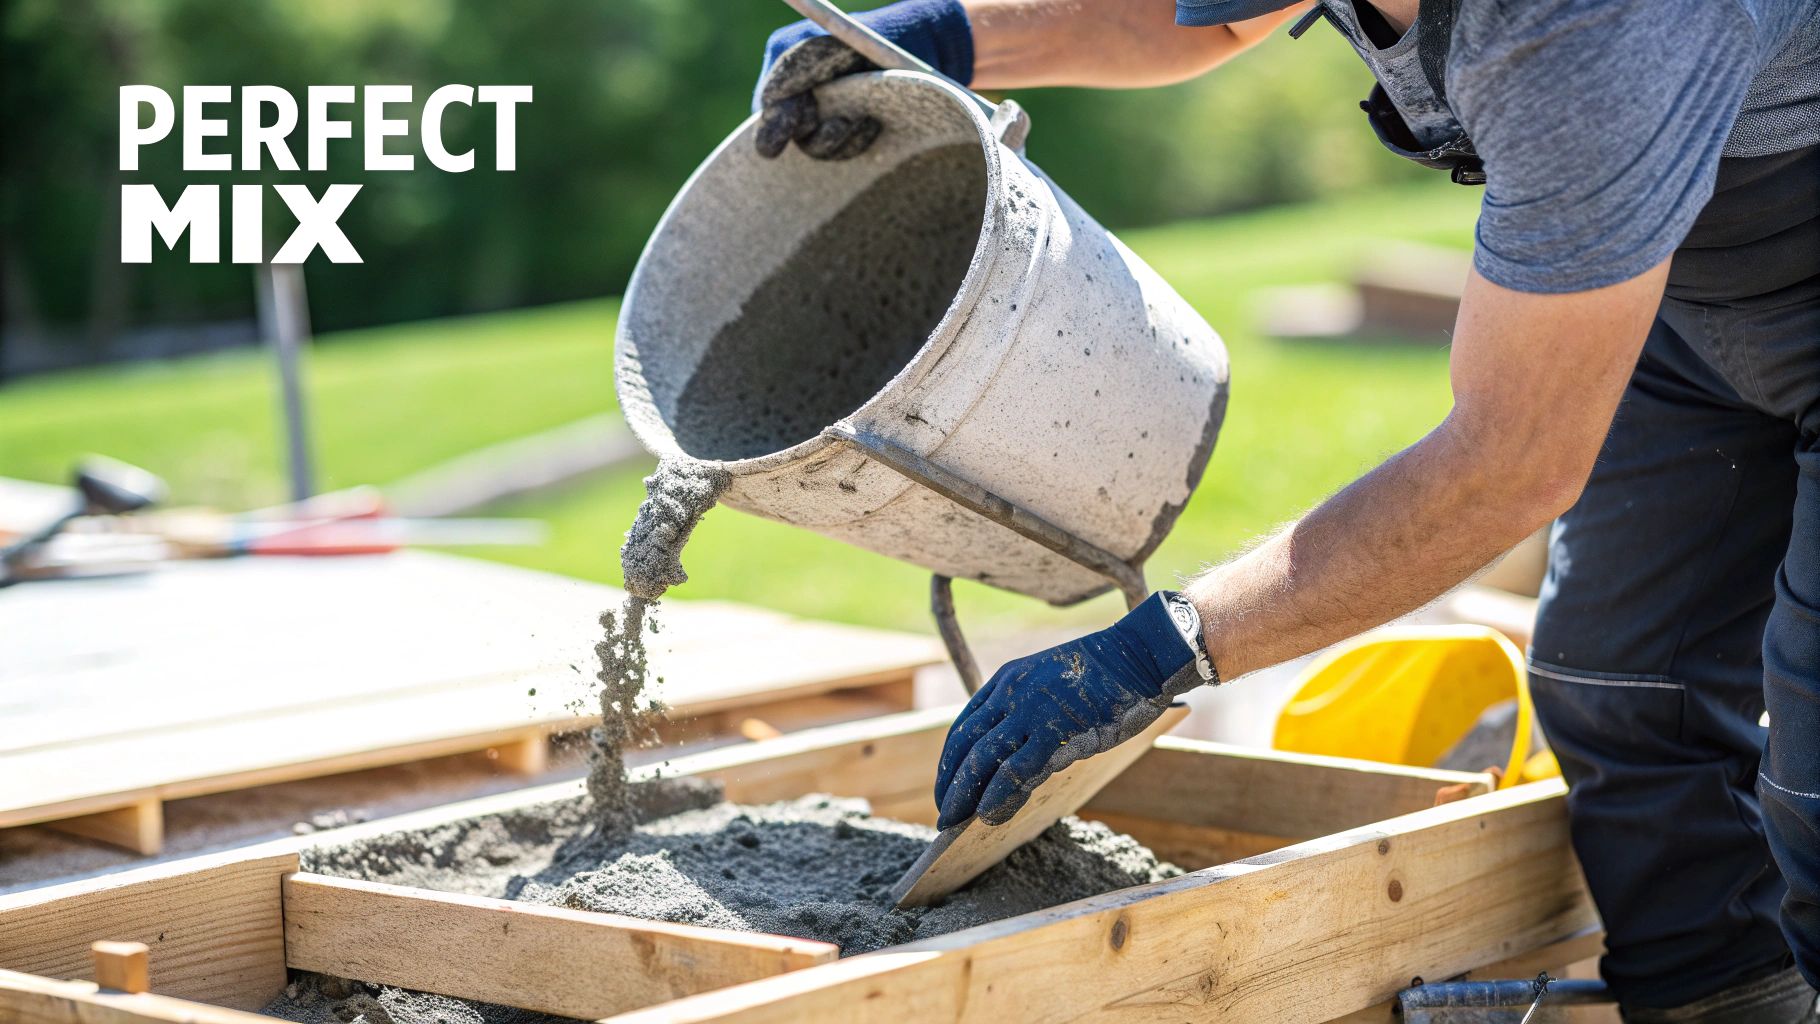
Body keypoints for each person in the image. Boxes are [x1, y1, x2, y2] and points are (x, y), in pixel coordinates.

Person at [754, 1, 1820, 1020]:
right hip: (1680, 292)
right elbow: (1204, 15)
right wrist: (935, 35)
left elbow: (1508, 463)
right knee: (1623, 693)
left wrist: (1160, 649)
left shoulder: (1580, 29)